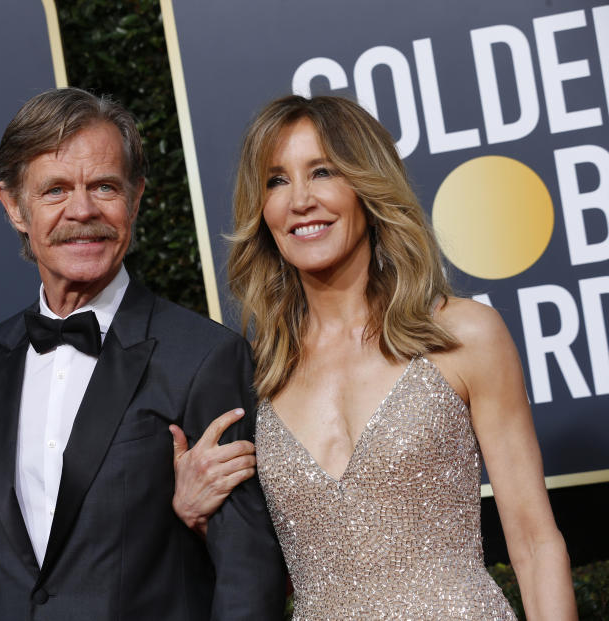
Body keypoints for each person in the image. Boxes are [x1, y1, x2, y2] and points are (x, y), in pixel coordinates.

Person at [170, 95, 577, 619]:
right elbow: (265, 575)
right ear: (261, 209)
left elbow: (535, 543)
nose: (300, 200)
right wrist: (196, 516)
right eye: (276, 180)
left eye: (322, 171)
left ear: (367, 185)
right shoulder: (255, 374)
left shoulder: (462, 334)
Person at [0, 87, 287, 620]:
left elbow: (248, 575)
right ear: (14, 206)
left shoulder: (204, 358)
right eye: (55, 190)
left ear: (136, 197)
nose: (82, 210)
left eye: (104, 186)